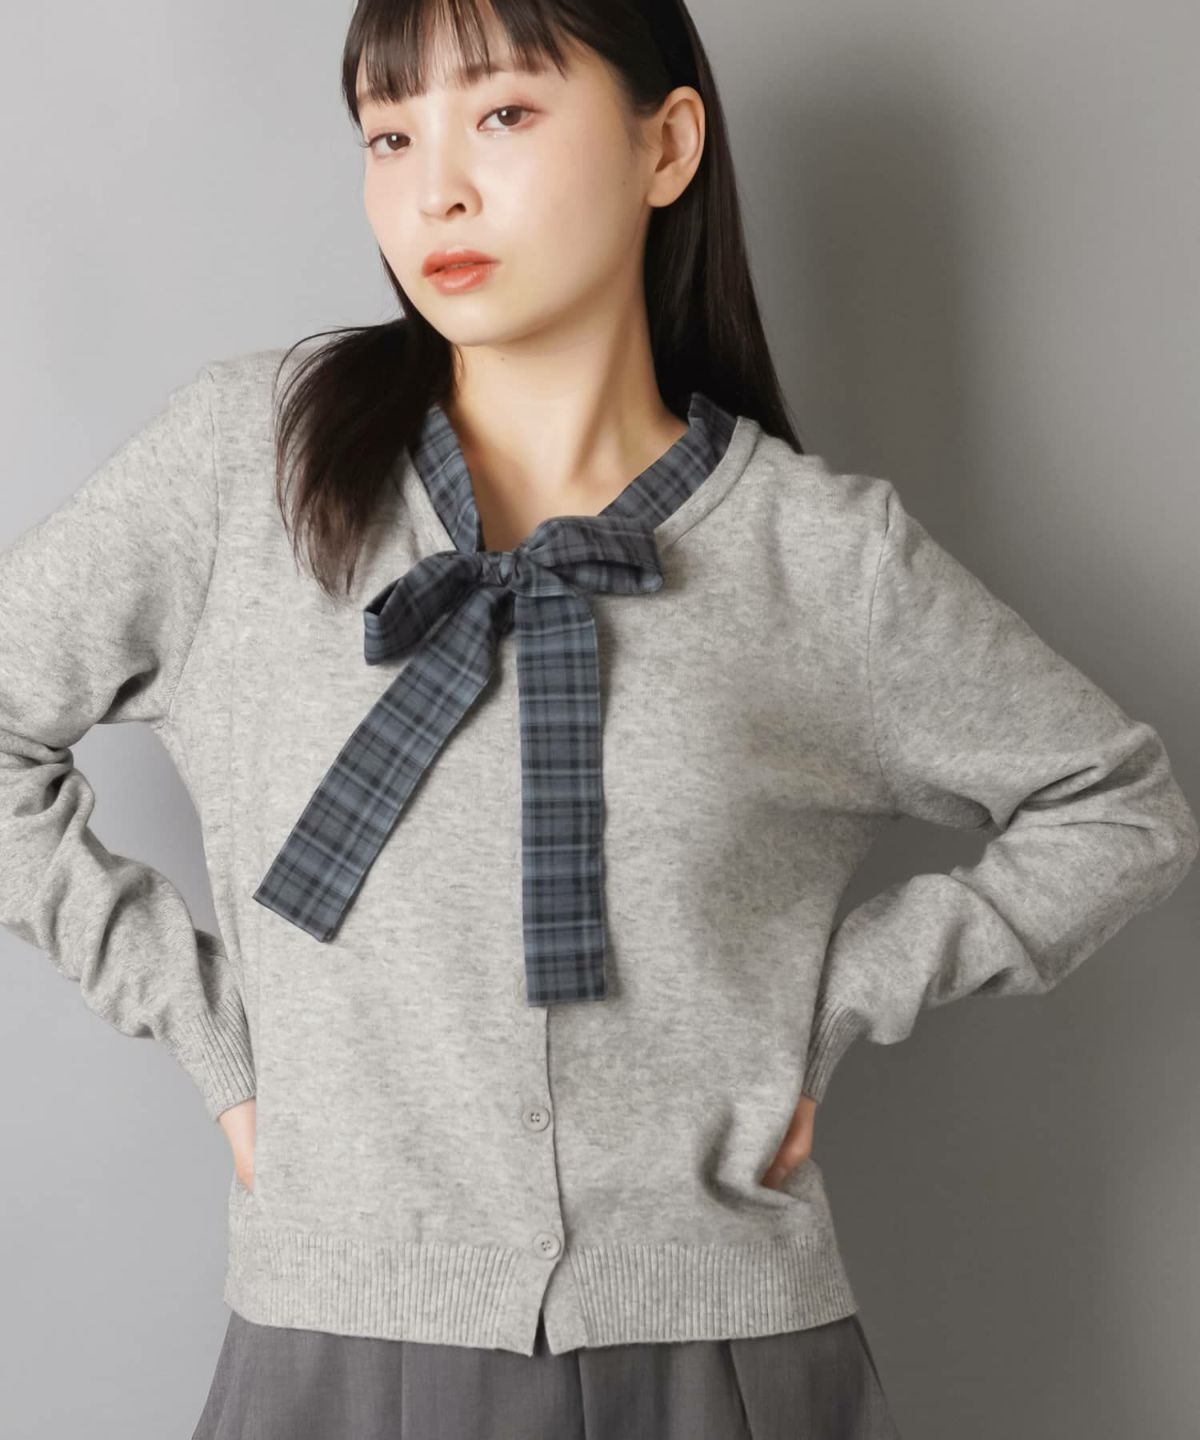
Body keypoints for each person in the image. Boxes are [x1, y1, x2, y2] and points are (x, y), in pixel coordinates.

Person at [2, 0, 1195, 1436]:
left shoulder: (819, 560)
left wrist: (845, 999)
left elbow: (1118, 807)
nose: (435, 189)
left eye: (503, 113)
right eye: (389, 136)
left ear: (666, 147)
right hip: (334, 1350)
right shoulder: (241, 468)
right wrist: (212, 1038)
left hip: (721, 1360)